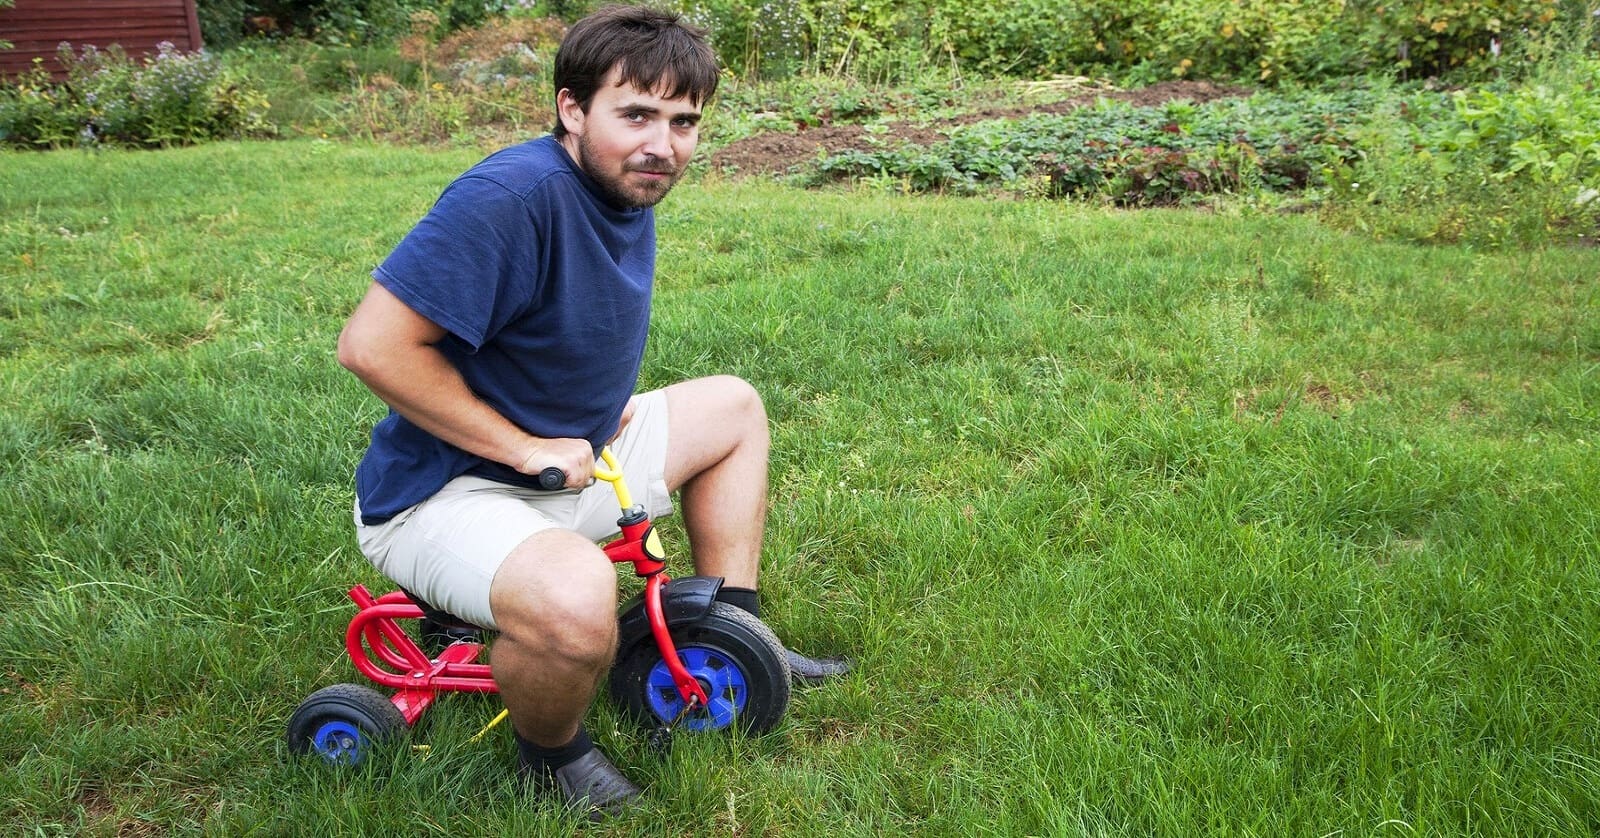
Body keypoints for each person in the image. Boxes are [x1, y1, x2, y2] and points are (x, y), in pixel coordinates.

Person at [336, 3, 847, 818]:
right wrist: (520, 444)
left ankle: (728, 635)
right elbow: (372, 345)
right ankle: (551, 755)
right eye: (636, 113)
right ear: (572, 110)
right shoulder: (511, 195)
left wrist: (574, 424)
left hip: (571, 457)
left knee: (734, 409)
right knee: (578, 601)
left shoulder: (621, 188)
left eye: (684, 121)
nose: (663, 144)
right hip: (443, 495)